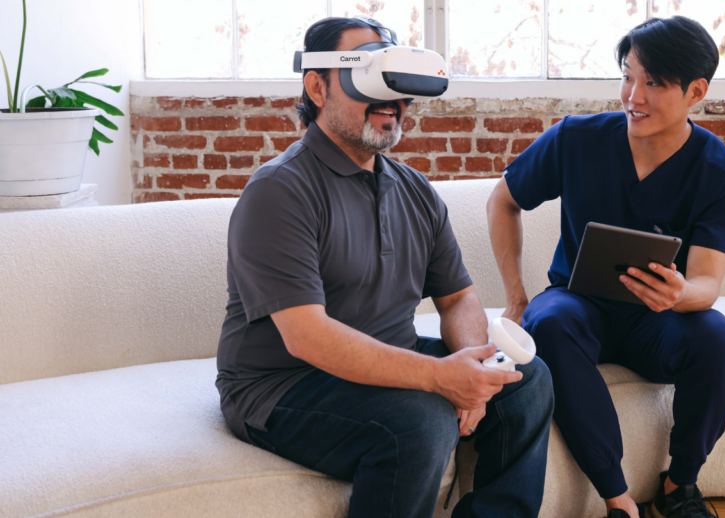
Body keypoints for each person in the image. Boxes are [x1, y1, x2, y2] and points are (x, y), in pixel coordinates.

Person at [215, 17, 554, 518]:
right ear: (317, 86)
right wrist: (438, 377)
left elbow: (458, 297)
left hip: (389, 357)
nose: (391, 102)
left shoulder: (415, 190)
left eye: (397, 87)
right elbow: (306, 336)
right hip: (282, 385)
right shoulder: (280, 190)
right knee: (420, 422)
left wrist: (474, 372)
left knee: (528, 381)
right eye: (371, 82)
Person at [487, 16, 725, 518]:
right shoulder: (577, 138)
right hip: (579, 305)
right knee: (550, 321)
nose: (634, 95)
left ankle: (678, 487)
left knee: (719, 343)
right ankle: (618, 499)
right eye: (628, 76)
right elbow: (503, 201)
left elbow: (707, 283)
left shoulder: (721, 170)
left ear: (696, 91)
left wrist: (679, 295)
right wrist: (517, 298)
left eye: (654, 83)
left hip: (662, 319)